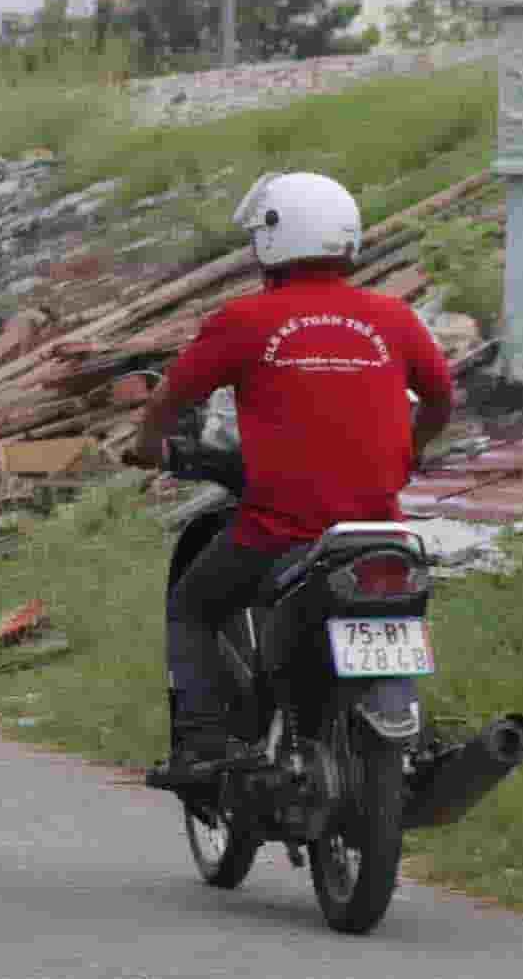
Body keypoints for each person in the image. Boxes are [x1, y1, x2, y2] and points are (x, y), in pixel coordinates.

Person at [129, 169, 454, 792]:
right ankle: (407, 731)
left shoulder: (246, 320)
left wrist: (147, 445)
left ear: (273, 242)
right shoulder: (393, 317)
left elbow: (172, 394)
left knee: (192, 608)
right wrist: (405, 456)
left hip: (282, 532)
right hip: (379, 532)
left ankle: (201, 741)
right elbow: (440, 399)